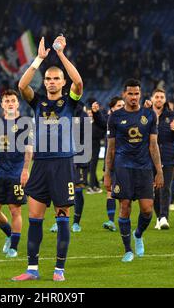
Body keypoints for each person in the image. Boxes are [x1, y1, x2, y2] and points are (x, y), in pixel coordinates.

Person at [11, 35, 83, 282]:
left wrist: (61, 54)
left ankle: (59, 269)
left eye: (56, 79)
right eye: (48, 79)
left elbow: (79, 82)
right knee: (35, 219)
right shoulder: (38, 102)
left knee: (62, 218)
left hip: (62, 162)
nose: (52, 82)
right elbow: (21, 86)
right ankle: (32, 269)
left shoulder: (69, 102)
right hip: (41, 164)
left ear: (62, 82)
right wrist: (39, 60)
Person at [104, 79, 164, 263]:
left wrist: (159, 171)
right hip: (123, 168)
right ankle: (128, 250)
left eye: (136, 93)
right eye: (130, 93)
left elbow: (153, 145)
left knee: (147, 211)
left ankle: (138, 234)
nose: (133, 97)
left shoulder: (149, 115)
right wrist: (107, 173)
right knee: (125, 207)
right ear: (124, 94)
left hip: (144, 168)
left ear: (140, 94)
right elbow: (111, 148)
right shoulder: (114, 117)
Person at [0, 89, 33, 258]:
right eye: (7, 101)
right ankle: (11, 236)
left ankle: (14, 248)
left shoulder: (25, 123)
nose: (10, 103)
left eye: (13, 100)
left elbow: (28, 150)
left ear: (18, 103)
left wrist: (25, 170)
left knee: (14, 210)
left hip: (16, 174)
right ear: (2, 104)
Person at [49, 102, 89, 233]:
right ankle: (58, 220)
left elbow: (85, 139)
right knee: (59, 189)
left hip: (79, 158)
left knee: (77, 190)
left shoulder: (82, 116)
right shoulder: (60, 114)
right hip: (62, 157)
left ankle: (76, 223)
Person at [150, 89, 174, 230]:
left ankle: (164, 217)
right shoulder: (146, 115)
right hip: (150, 157)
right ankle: (159, 217)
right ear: (152, 99)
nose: (159, 99)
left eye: (161, 97)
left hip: (168, 157)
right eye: (156, 97)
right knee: (154, 191)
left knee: (165, 188)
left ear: (165, 99)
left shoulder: (172, 115)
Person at [92, 97, 125, 231]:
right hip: (111, 160)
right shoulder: (109, 120)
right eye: (118, 105)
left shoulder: (131, 119)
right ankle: (111, 221)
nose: (122, 107)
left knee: (124, 194)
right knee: (110, 191)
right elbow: (101, 121)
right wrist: (95, 113)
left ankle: (123, 220)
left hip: (126, 161)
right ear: (112, 108)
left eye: (123, 105)